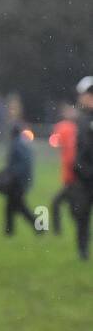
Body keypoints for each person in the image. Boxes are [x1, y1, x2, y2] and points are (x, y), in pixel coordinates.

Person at [0, 125, 38, 235]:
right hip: (22, 181)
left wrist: (7, 176)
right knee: (12, 207)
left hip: (17, 182)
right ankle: (10, 231)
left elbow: (15, 167)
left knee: (20, 207)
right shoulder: (22, 144)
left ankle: (37, 227)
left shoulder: (16, 145)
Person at [66, 79, 93, 260]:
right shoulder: (83, 119)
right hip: (84, 178)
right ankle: (83, 252)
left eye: (82, 95)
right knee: (80, 214)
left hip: (87, 175)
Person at [49, 102, 79, 235]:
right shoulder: (78, 126)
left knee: (58, 204)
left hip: (73, 177)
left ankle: (58, 232)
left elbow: (54, 142)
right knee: (75, 208)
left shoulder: (62, 126)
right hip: (76, 175)